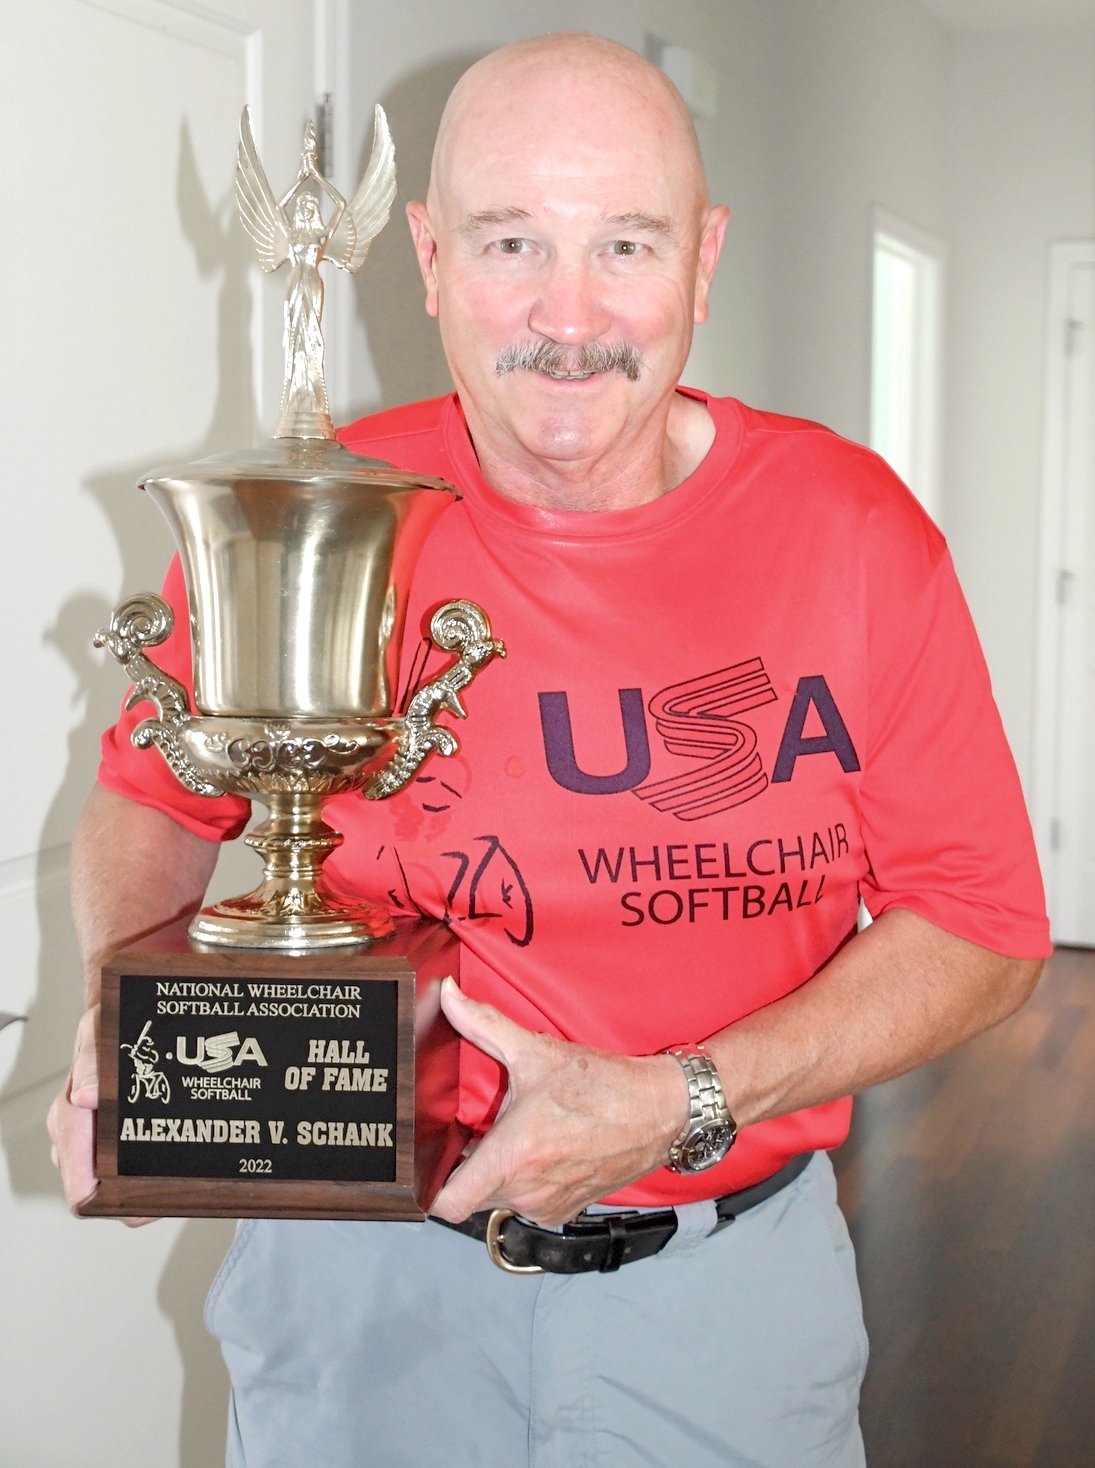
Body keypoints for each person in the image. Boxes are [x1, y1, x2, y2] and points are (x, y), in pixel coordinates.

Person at [49, 32, 1050, 1468]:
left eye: (625, 246)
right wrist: (140, 1045)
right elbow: (149, 796)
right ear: (430, 257)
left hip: (726, 1303)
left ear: (703, 261)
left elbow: (985, 924)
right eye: (512, 241)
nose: (568, 316)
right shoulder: (311, 523)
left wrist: (681, 1099)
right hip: (358, 1300)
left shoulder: (852, 534)